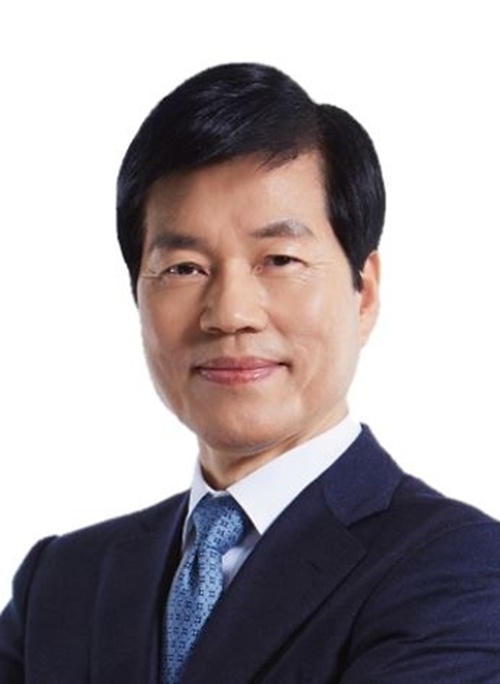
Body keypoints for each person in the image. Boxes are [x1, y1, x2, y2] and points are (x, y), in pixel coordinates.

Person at [1, 62, 499, 684]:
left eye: (279, 259)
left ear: (363, 293)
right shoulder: (62, 583)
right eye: (184, 268)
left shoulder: (460, 569)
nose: (230, 314)